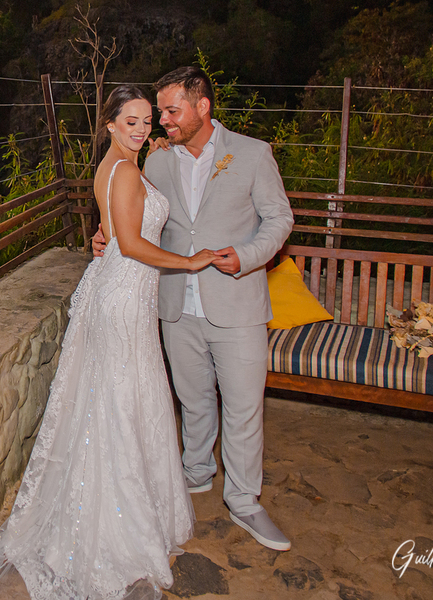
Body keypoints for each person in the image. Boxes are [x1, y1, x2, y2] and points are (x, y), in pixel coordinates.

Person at [0, 85, 216, 600]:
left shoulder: (119, 165)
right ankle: (113, 530)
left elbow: (108, 232)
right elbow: (131, 242)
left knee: (118, 405)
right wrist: (190, 261)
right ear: (109, 124)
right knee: (121, 408)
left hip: (121, 296)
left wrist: (104, 233)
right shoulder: (123, 170)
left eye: (148, 120)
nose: (143, 128)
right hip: (123, 301)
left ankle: (119, 510)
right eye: (132, 121)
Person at [98, 66, 294, 552]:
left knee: (244, 407)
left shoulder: (252, 154)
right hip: (174, 307)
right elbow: (137, 216)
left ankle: (245, 501)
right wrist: (107, 235)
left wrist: (246, 257)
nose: (161, 121)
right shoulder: (158, 161)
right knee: (193, 399)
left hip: (237, 303)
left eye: (170, 110)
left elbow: (279, 219)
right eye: (157, 112)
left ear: (202, 106)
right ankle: (196, 472)